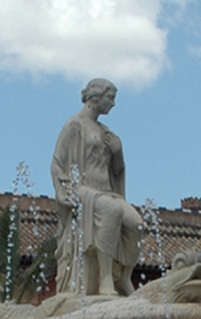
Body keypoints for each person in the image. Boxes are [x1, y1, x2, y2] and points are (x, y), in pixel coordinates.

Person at [51, 78, 143, 296]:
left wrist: (118, 152)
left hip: (108, 192)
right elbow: (56, 163)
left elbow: (117, 172)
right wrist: (61, 191)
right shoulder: (75, 125)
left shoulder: (106, 132)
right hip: (82, 189)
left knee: (136, 224)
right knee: (112, 211)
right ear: (96, 96)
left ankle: (124, 278)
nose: (113, 104)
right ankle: (105, 278)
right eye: (110, 98)